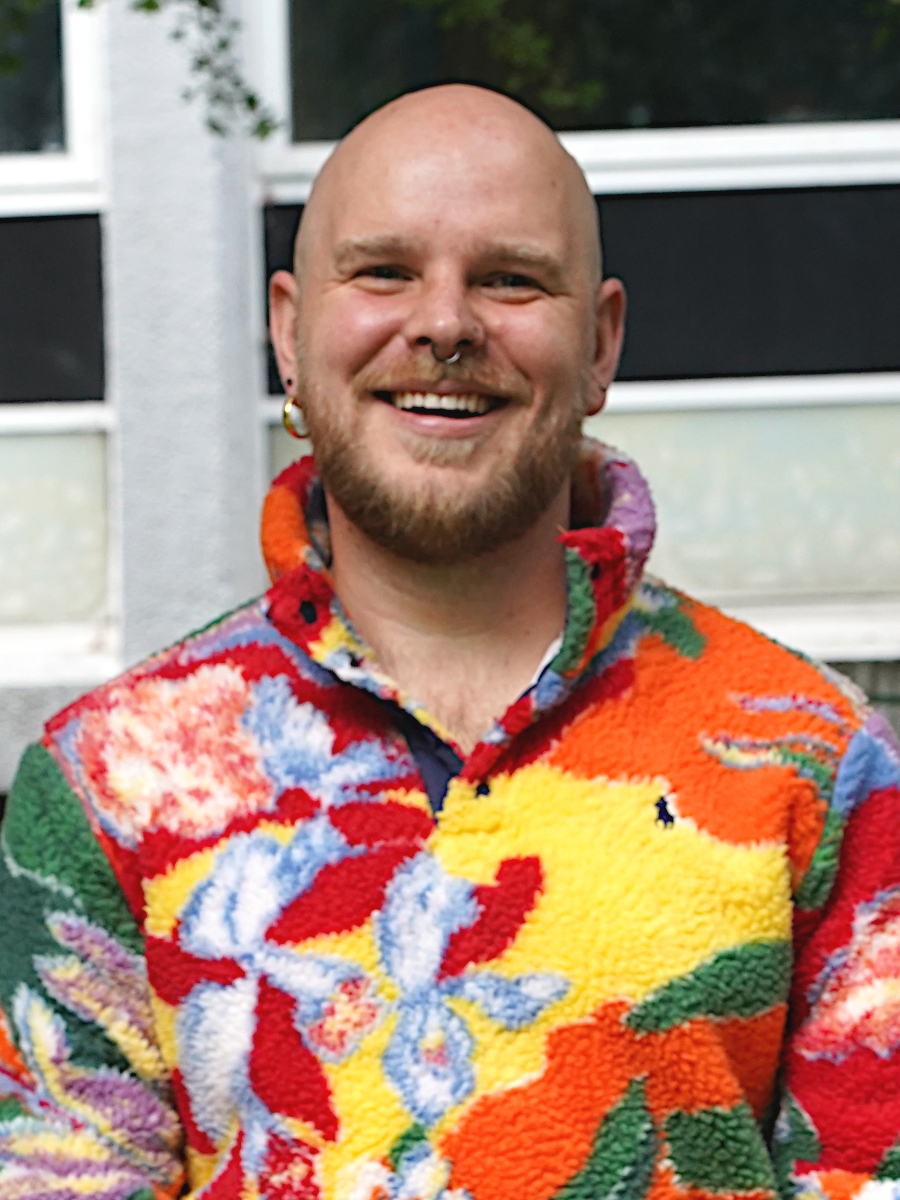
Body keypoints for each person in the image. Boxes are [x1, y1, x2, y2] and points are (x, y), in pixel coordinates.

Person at [1, 84, 899, 1200]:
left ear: (601, 342)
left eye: (510, 278)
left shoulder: (821, 770)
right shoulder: (108, 785)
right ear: (289, 329)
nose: (443, 324)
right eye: (383, 271)